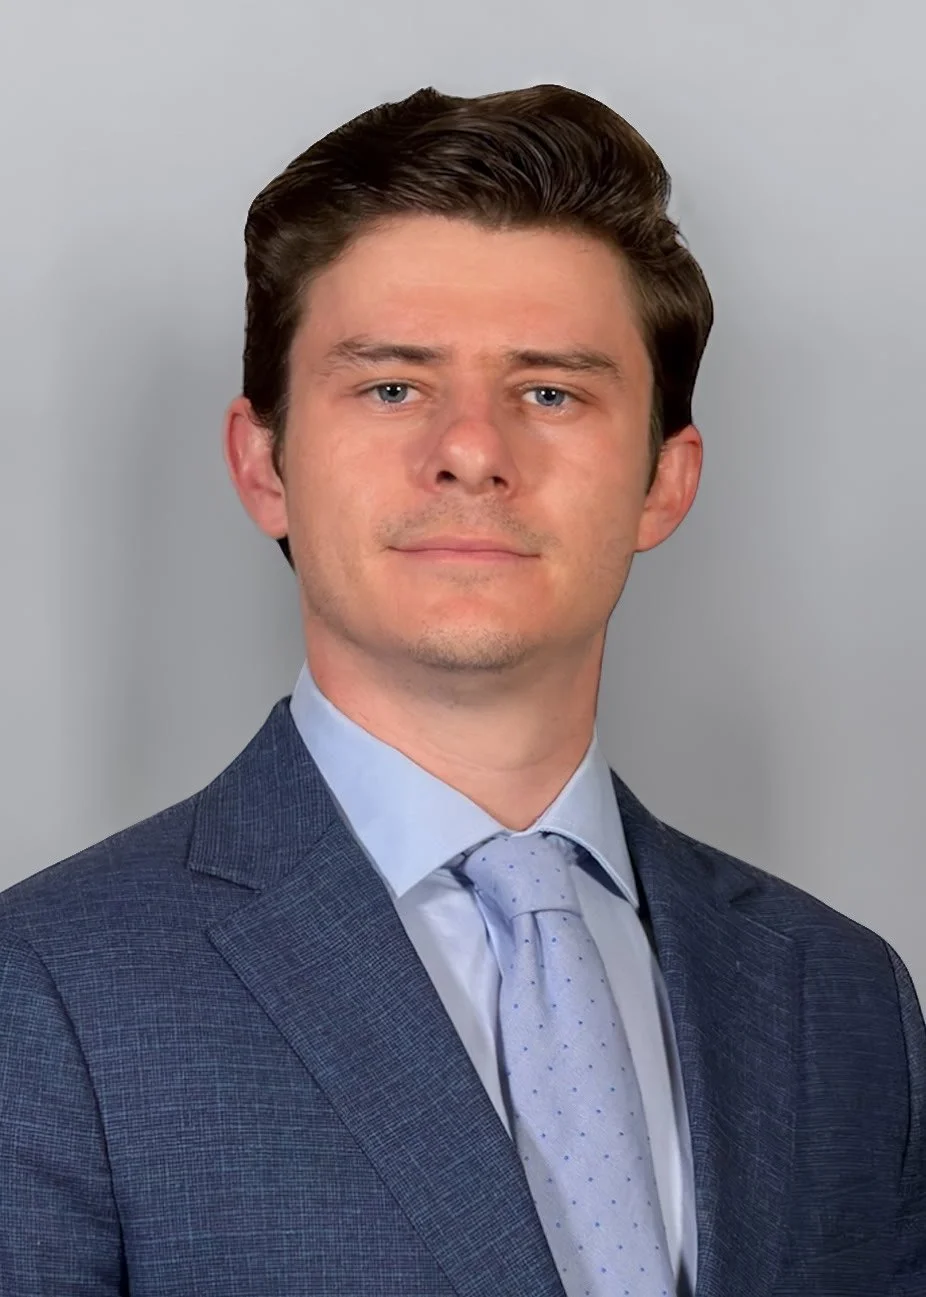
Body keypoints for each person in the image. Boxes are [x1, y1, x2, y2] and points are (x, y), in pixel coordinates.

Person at [1, 82, 922, 1297]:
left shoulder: (841, 994)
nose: (473, 448)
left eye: (552, 390)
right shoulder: (48, 992)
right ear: (263, 465)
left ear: (662, 480)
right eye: (390, 385)